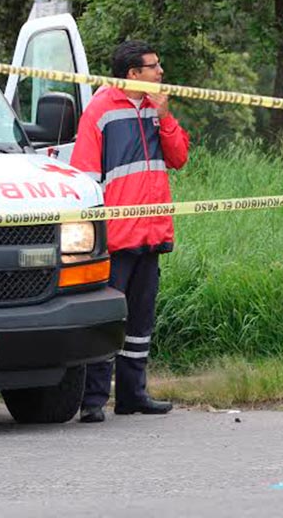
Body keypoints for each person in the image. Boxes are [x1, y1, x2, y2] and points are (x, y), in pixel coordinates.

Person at [70, 40, 190, 423]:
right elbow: (85, 177)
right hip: (116, 237)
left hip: (151, 233)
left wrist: (166, 117)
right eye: (154, 67)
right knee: (108, 319)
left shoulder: (156, 110)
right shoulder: (100, 111)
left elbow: (179, 158)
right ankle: (93, 401)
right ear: (133, 74)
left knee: (140, 320)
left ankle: (133, 395)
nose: (161, 73)